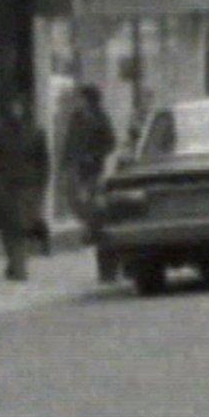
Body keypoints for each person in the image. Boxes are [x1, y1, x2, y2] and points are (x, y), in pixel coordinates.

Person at [0, 97, 50, 281]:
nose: (16, 111)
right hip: (5, 185)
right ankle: (15, 263)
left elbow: (43, 161)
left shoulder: (35, 131)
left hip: (26, 185)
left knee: (21, 227)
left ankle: (19, 267)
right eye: (13, 106)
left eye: (19, 107)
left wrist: (41, 184)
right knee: (9, 226)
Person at [61, 84, 119, 282]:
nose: (78, 102)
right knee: (78, 204)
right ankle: (90, 230)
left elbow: (110, 142)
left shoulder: (100, 117)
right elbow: (69, 141)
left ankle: (95, 236)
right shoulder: (76, 118)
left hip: (93, 171)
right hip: (77, 170)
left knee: (96, 210)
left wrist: (94, 156)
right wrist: (66, 162)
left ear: (89, 99)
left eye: (81, 98)